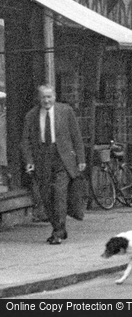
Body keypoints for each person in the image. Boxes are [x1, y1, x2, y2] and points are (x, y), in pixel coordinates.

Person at [21, 85, 86, 245]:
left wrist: (81, 159)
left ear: (55, 97)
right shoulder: (31, 115)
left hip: (62, 158)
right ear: (39, 98)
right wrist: (29, 161)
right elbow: (25, 141)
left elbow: (76, 135)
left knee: (59, 192)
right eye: (43, 97)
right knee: (46, 196)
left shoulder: (65, 111)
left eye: (49, 97)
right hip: (42, 158)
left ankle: (57, 232)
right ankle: (58, 228)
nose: (46, 100)